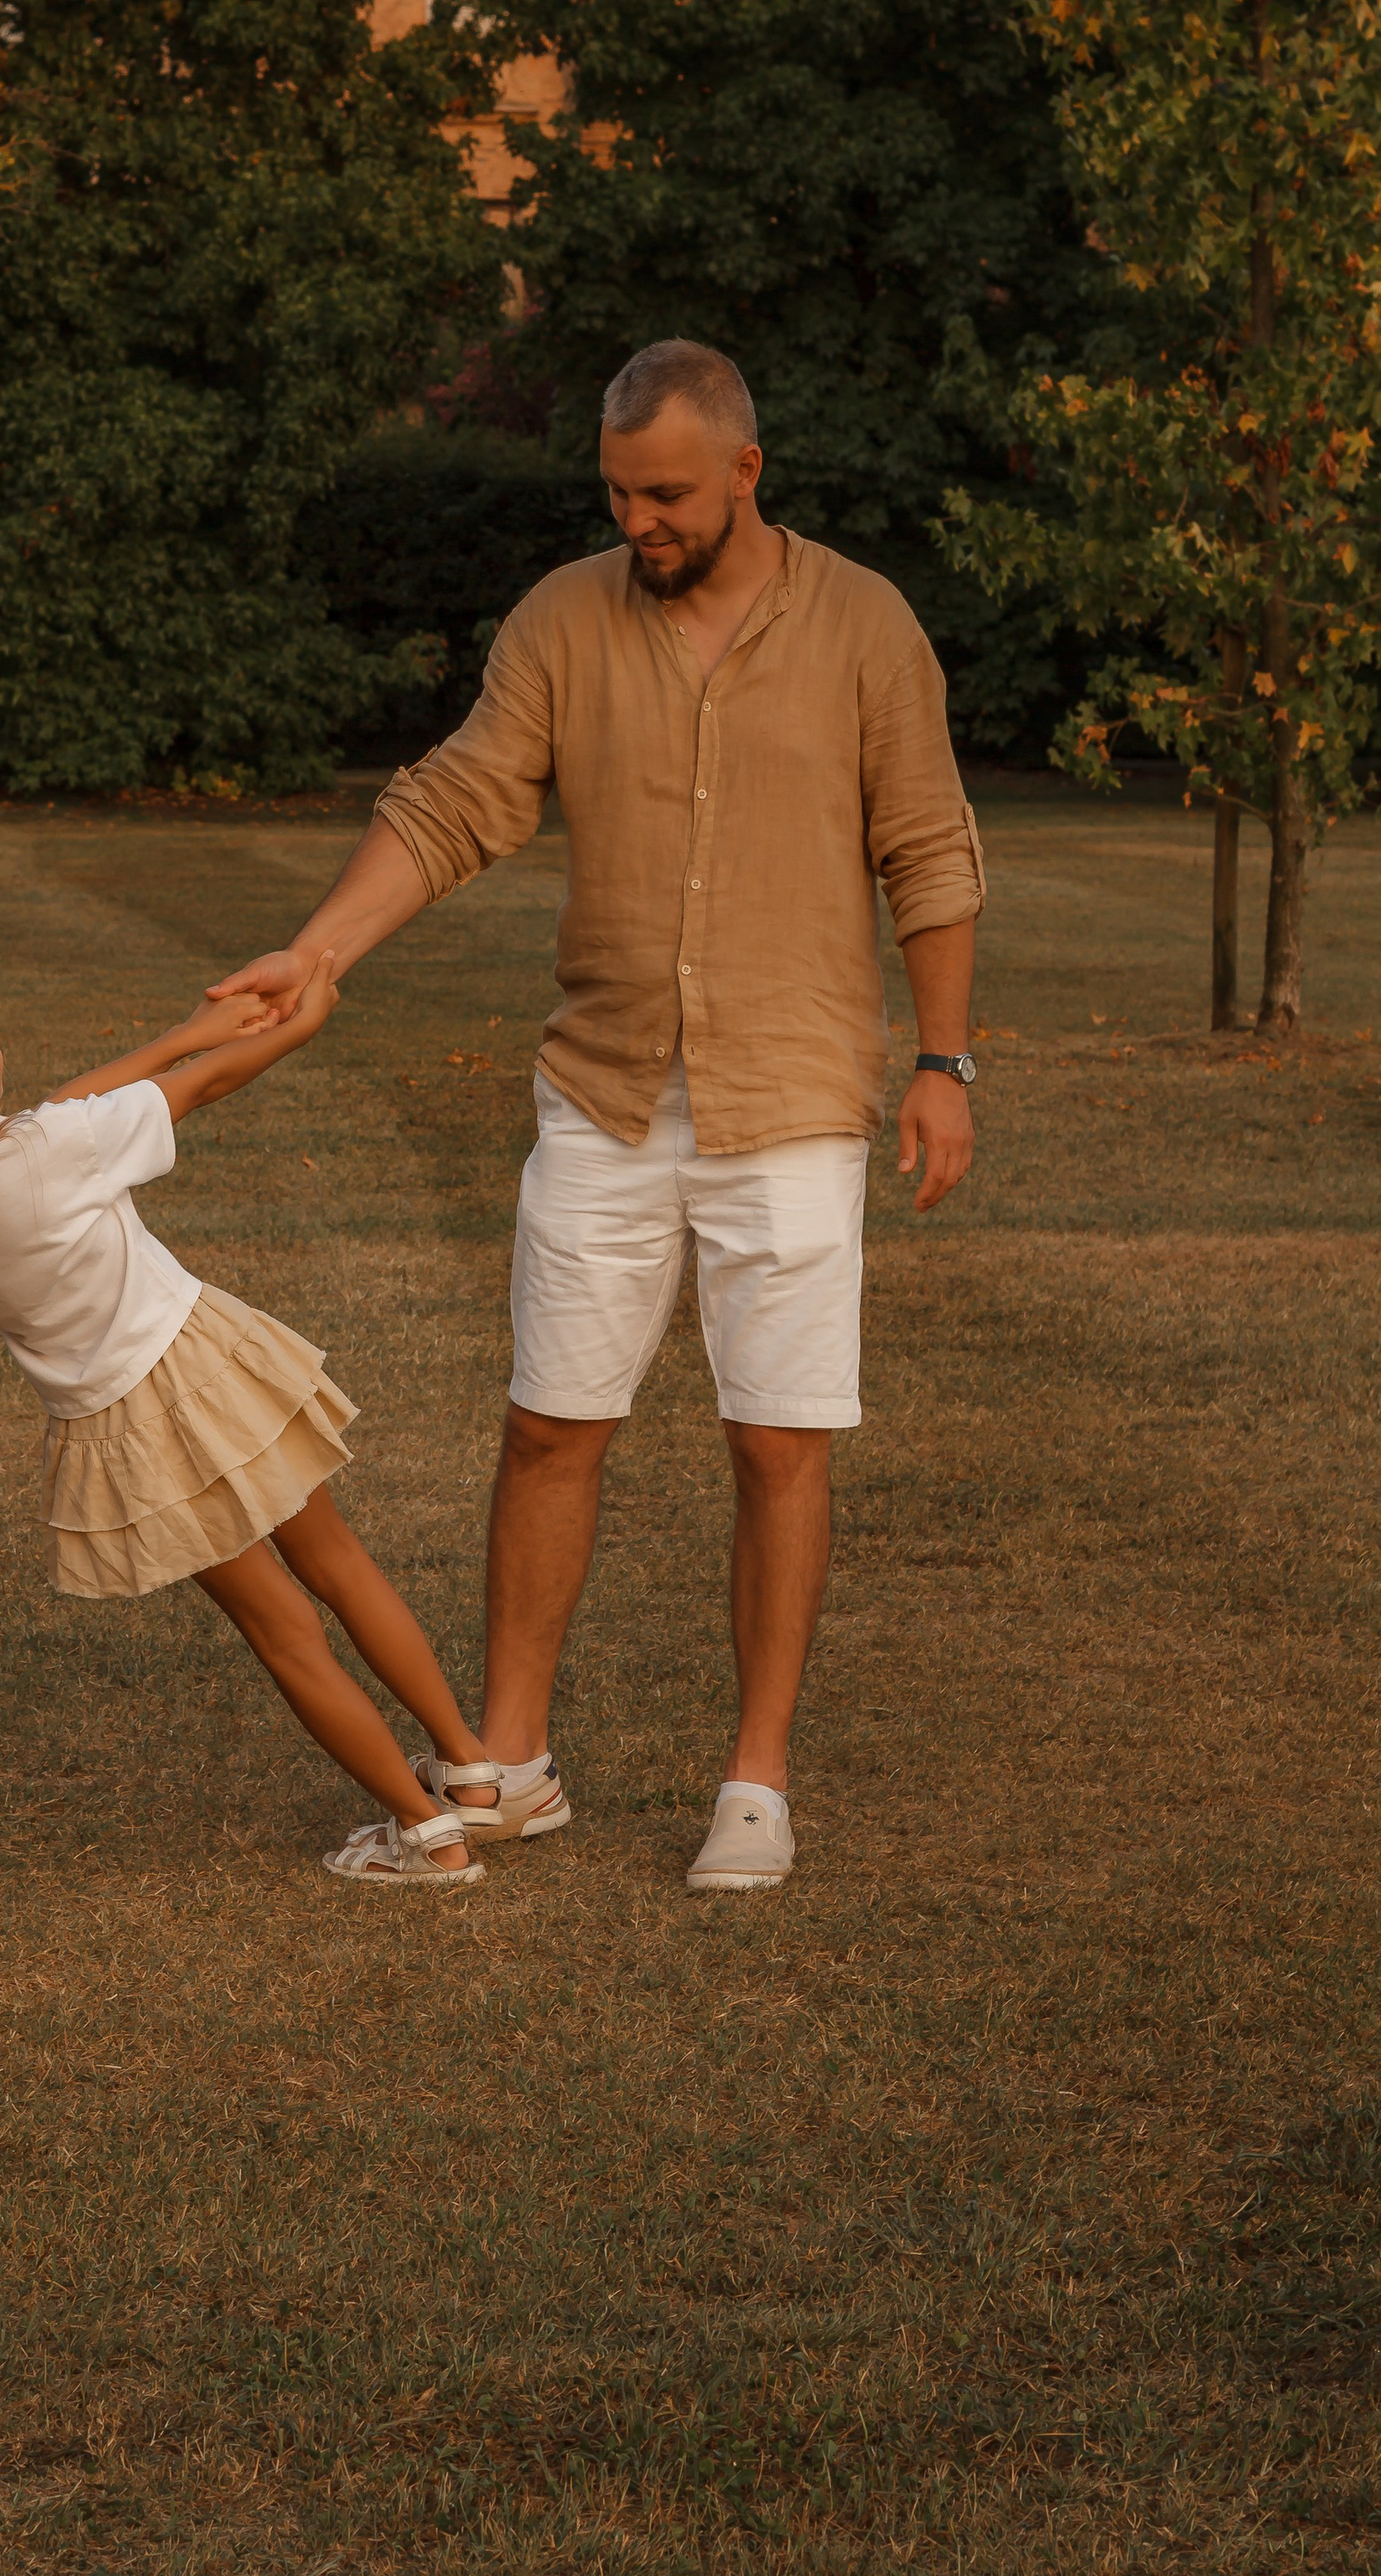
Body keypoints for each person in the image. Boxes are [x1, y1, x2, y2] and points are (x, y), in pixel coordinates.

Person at [212, 337, 985, 1893]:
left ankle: (754, 1786)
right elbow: (455, 802)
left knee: (779, 1443)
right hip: (606, 1098)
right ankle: (512, 1760)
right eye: (622, 492)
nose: (640, 519)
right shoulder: (564, 621)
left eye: (669, 494)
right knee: (551, 1422)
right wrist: (321, 951)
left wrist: (944, 1064)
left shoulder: (864, 626)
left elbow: (930, 847)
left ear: (747, 474)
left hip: (793, 1103)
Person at [0, 958, 492, 1887]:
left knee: (283, 1634)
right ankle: (460, 1785)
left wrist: (190, 1029)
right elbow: (192, 1092)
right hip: (201, 1373)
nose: (2, 1041)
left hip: (127, 1429)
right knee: (338, 1571)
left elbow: (58, 1118)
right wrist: (294, 1026)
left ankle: (428, 1824)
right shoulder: (46, 1152)